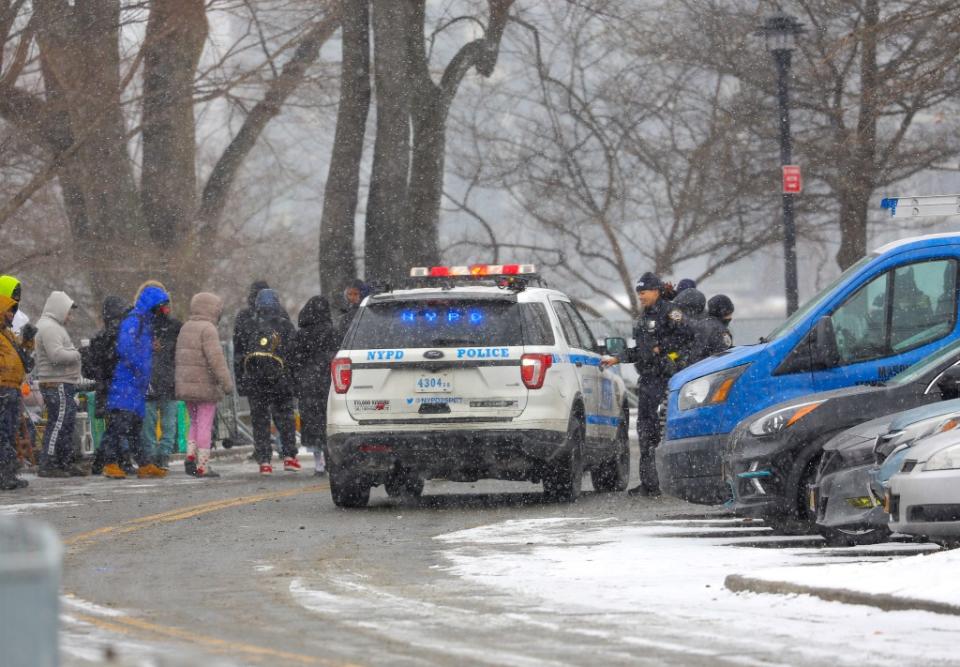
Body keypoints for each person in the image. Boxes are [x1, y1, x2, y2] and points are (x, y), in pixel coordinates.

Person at [602, 272, 694, 496]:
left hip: (666, 380)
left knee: (663, 432)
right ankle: (649, 483)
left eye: (644, 292)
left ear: (656, 291)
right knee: (646, 431)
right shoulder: (644, 317)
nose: (640, 296)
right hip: (648, 381)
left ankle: (669, 483)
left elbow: (688, 337)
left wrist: (662, 348)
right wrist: (618, 358)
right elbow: (643, 350)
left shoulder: (670, 313)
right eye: (638, 293)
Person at [100, 284, 170, 480]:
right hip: (127, 382)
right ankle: (110, 463)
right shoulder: (135, 321)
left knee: (134, 426)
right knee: (120, 425)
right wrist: (141, 367)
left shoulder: (143, 322)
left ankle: (144, 463)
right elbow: (126, 347)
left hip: (135, 384)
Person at [237, 288, 298, 474]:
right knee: (285, 418)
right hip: (280, 380)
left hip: (255, 380)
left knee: (260, 420)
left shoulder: (247, 326)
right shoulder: (285, 326)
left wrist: (241, 380)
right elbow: (294, 356)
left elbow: (239, 357)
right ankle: (289, 457)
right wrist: (294, 381)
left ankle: (264, 460)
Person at [175, 292, 234, 478]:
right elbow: (216, 360)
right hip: (205, 387)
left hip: (186, 385)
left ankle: (191, 456)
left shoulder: (185, 327)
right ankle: (203, 466)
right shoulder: (208, 329)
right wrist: (227, 384)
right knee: (205, 425)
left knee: (194, 422)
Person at [35, 290, 86, 477]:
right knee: (58, 423)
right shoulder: (50, 328)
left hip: (60, 383)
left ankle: (64, 461)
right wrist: (78, 353)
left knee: (65, 423)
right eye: (68, 312)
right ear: (59, 309)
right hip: (57, 384)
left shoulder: (52, 326)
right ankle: (49, 463)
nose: (70, 317)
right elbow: (56, 355)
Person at [291, 296, 338, 476]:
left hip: (307, 384)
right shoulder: (331, 331)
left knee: (311, 423)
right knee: (328, 422)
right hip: (327, 382)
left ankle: (318, 462)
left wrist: (298, 381)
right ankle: (331, 460)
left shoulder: (301, 334)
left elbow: (294, 360)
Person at [137, 281, 182, 470]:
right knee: (155, 422)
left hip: (164, 380)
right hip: (154, 380)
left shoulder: (174, 326)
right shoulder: (141, 326)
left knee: (163, 422)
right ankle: (155, 455)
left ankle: (161, 455)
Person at [83, 296, 129, 474]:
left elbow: (91, 367)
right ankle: (114, 459)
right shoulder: (121, 335)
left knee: (115, 424)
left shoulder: (99, 337)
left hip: (107, 386)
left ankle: (106, 460)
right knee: (119, 425)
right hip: (119, 385)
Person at [0, 289, 36, 490]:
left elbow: (22, 358)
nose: (12, 315)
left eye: (14, 312)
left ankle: (8, 474)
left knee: (10, 432)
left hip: (12, 388)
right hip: (2, 389)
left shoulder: (8, 335)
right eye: (9, 311)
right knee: (3, 433)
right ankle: (4, 474)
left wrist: (28, 340)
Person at [233, 280, 270, 399]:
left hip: (252, 375)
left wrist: (240, 381)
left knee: (259, 414)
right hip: (277, 375)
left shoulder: (243, 317)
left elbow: (238, 351)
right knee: (282, 414)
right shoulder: (279, 314)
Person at [335, 279, 367, 345]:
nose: (352, 297)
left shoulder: (365, 311)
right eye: (350, 294)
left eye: (355, 294)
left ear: (362, 294)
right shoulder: (344, 311)